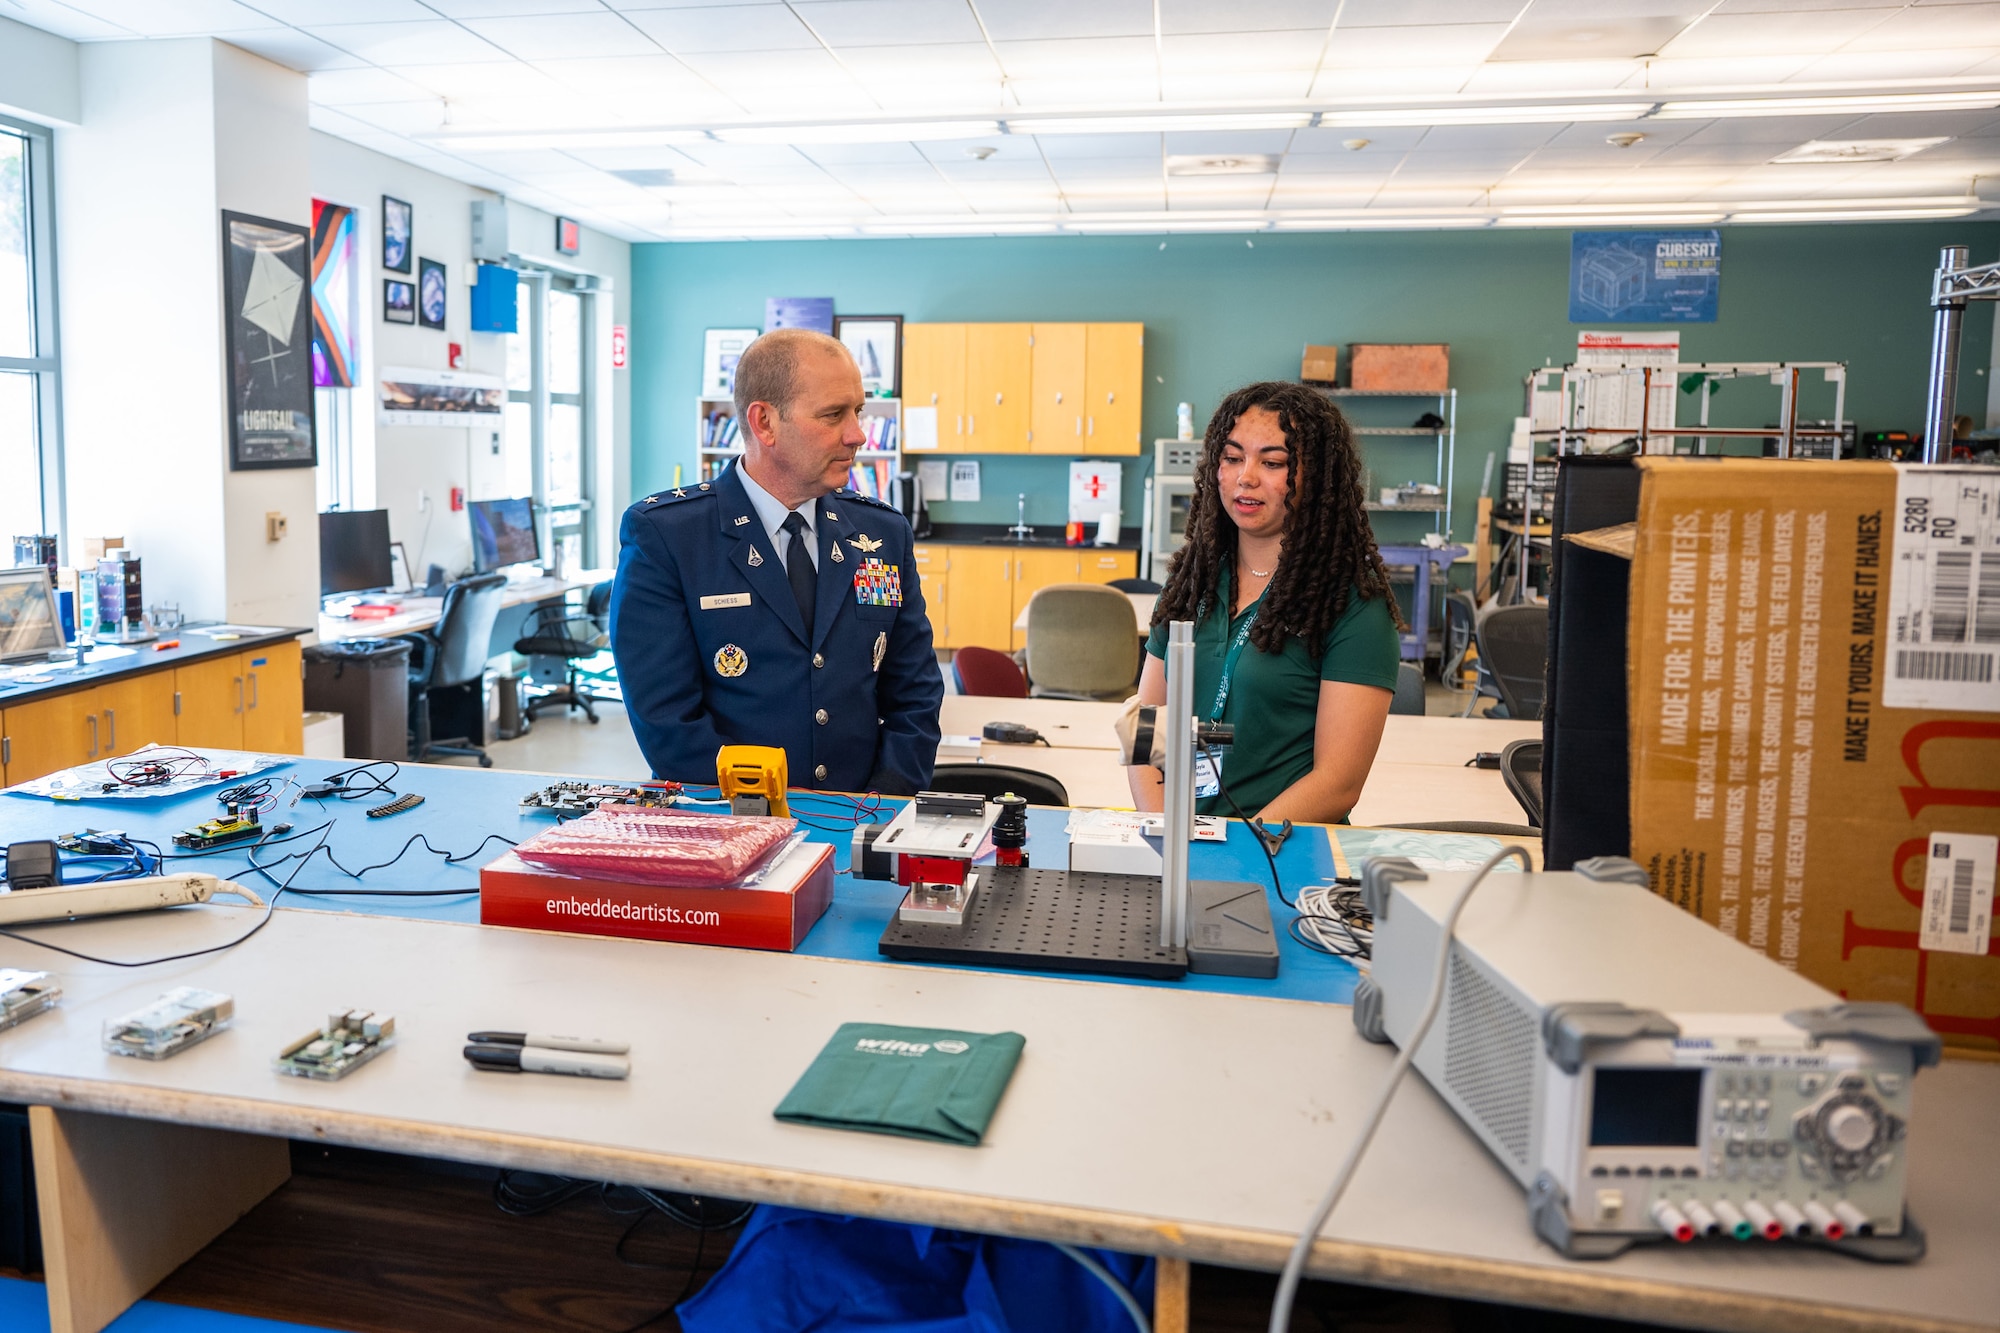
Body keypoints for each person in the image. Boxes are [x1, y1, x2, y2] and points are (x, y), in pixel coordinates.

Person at [609, 328, 942, 795]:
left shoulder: (882, 533)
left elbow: (917, 693)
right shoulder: (669, 535)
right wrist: (761, 816)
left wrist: (882, 803)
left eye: (858, 412)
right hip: (725, 824)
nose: (858, 434)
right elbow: (667, 721)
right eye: (833, 415)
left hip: (863, 816)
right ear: (764, 423)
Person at [1127, 381, 1403, 824]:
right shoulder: (1190, 583)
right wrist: (1166, 837)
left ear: (1316, 478)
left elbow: (1339, 782)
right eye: (1232, 458)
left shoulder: (1350, 603)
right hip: (1178, 846)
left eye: (1272, 462)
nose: (1246, 476)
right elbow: (1146, 727)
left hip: (1281, 859)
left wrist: (1237, 851)